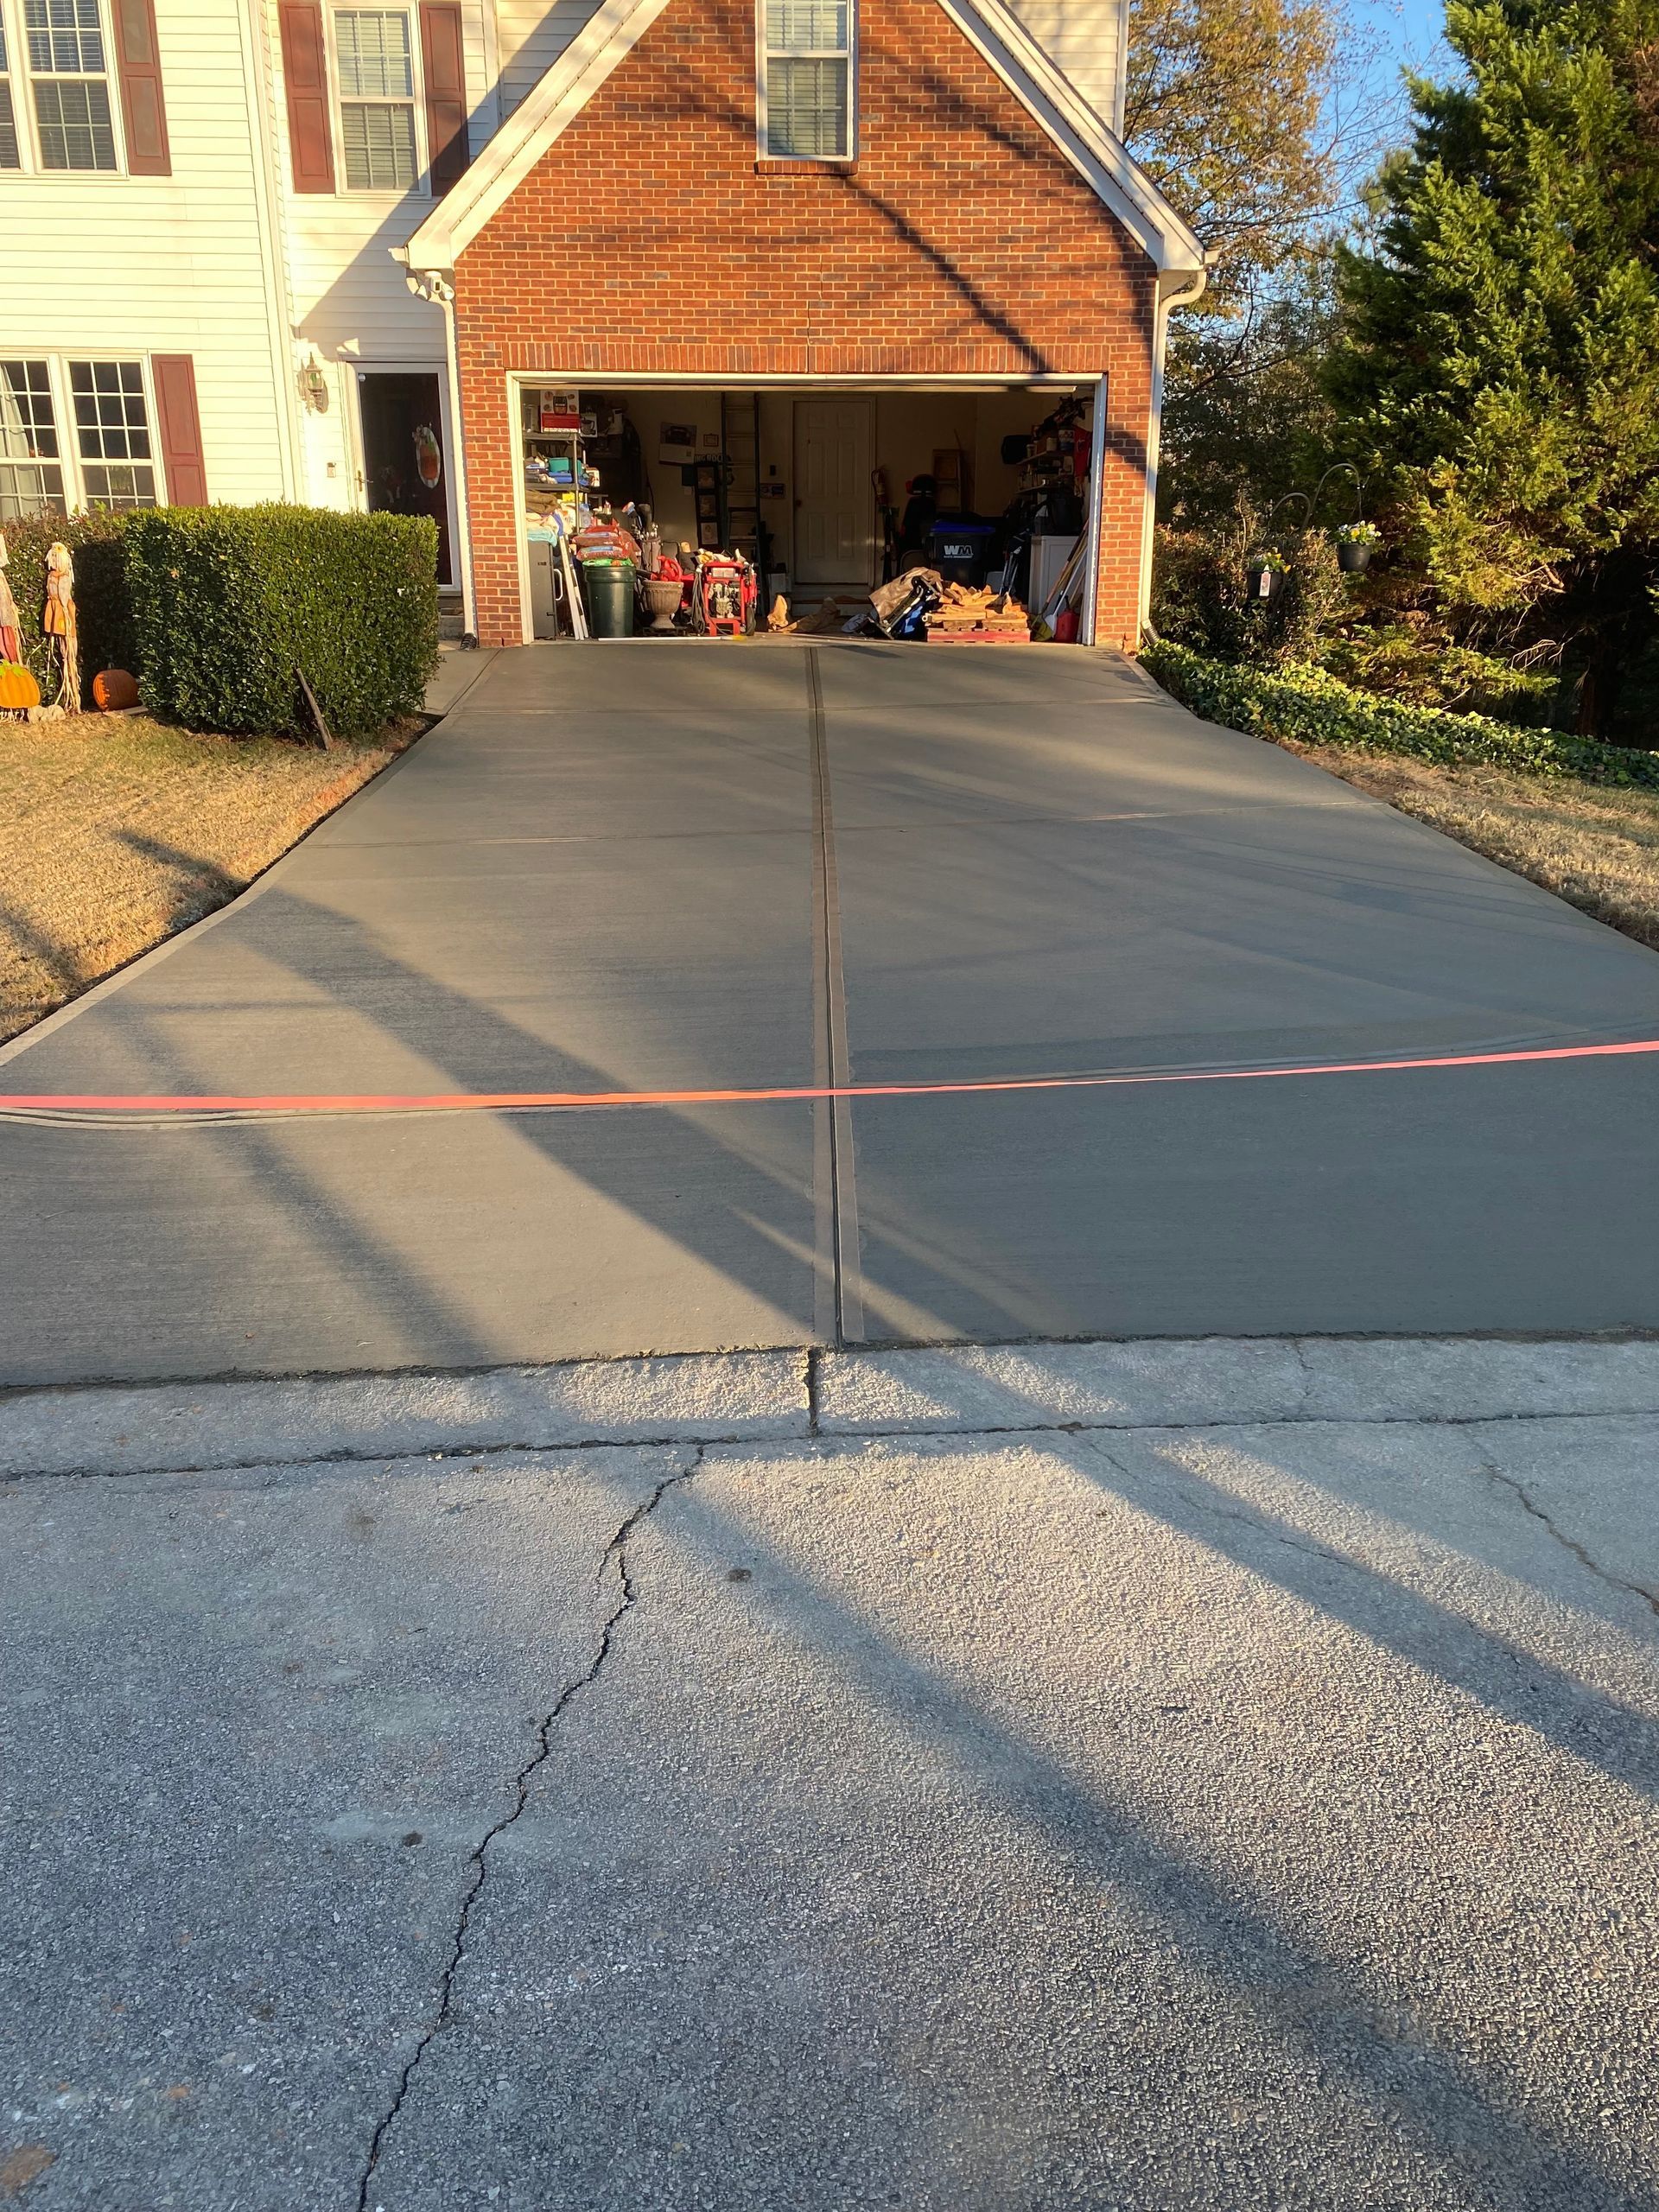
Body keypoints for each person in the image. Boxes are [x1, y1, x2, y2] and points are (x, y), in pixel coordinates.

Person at [898, 473, 938, 564]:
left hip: (910, 550)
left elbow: (905, 528)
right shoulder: (931, 503)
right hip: (928, 550)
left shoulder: (913, 503)